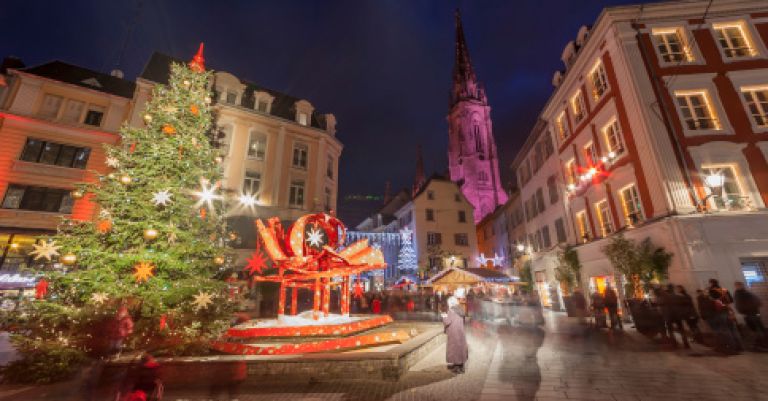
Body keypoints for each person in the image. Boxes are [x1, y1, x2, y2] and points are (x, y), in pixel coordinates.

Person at [733, 281, 766, 349]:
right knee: (757, 328)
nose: (737, 287)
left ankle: (760, 344)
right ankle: (760, 343)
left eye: (738, 285)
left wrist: (744, 311)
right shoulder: (743, 293)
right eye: (737, 285)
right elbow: (757, 302)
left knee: (756, 329)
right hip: (751, 313)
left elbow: (740, 305)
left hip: (750, 313)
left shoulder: (742, 294)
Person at [709, 288, 742, 354]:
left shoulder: (717, 301)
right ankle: (739, 347)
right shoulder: (723, 299)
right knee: (733, 331)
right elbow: (728, 307)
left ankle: (732, 348)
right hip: (728, 316)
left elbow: (720, 308)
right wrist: (731, 314)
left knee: (727, 332)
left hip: (722, 317)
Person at [441, 296, 468, 374]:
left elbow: (447, 322)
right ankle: (461, 365)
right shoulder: (460, 309)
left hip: (453, 332)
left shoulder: (451, 311)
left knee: (454, 348)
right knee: (460, 348)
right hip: (460, 331)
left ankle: (457, 366)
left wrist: (443, 314)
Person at [661, 284, 689, 348]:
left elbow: (660, 304)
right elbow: (684, 303)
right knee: (681, 329)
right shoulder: (678, 296)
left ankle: (674, 343)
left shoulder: (664, 298)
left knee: (670, 330)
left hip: (669, 315)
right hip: (677, 315)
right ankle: (686, 343)